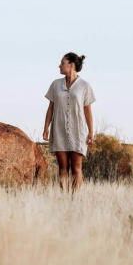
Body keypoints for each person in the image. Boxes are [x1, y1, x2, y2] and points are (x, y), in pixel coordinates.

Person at [42, 52, 96, 191]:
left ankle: (75, 199)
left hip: (78, 131)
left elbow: (87, 110)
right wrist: (46, 128)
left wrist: (91, 132)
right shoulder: (55, 84)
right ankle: (64, 198)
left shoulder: (84, 86)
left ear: (71, 65)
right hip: (58, 129)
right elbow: (51, 108)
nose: (59, 66)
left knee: (76, 168)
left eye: (62, 63)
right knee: (63, 167)